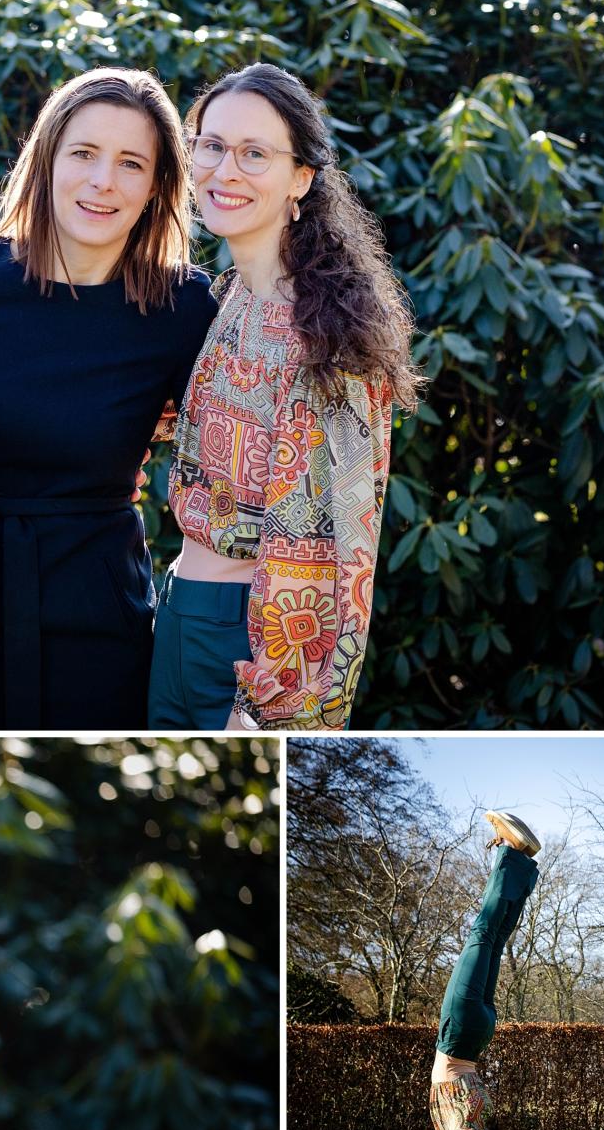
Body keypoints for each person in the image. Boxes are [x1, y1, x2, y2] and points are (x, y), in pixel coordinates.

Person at [0, 68, 218, 728]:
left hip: (100, 612)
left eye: (130, 163)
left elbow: (231, 451)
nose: (102, 180)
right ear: (47, 159)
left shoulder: (182, 306)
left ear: (157, 188)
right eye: (83, 153)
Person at [151, 63, 420, 732]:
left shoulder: (327, 333)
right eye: (211, 146)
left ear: (301, 178)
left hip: (246, 641)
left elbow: (330, 546)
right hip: (179, 611)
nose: (225, 170)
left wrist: (270, 701)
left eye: (254, 154)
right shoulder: (227, 296)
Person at [429, 809, 541, 1130]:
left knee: (493, 939)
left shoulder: (485, 1125)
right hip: (461, 1030)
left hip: (477, 1035)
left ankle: (522, 863)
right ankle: (513, 853)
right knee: (483, 933)